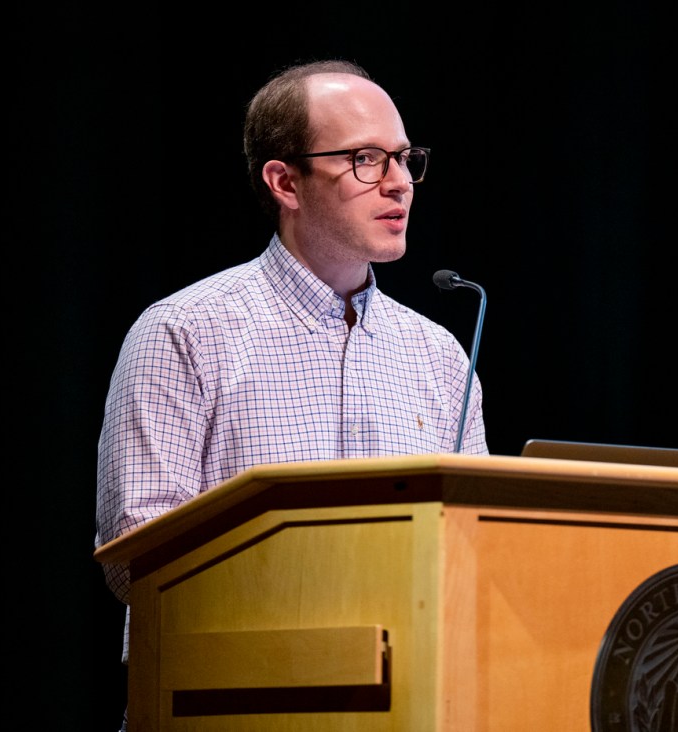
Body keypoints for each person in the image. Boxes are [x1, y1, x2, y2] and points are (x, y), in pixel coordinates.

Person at [94, 58, 488, 729]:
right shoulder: (185, 332)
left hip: (413, 702)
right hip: (231, 702)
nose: (398, 184)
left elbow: (475, 546)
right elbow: (140, 554)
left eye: (404, 158)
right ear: (285, 181)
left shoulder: (440, 356)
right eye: (366, 159)